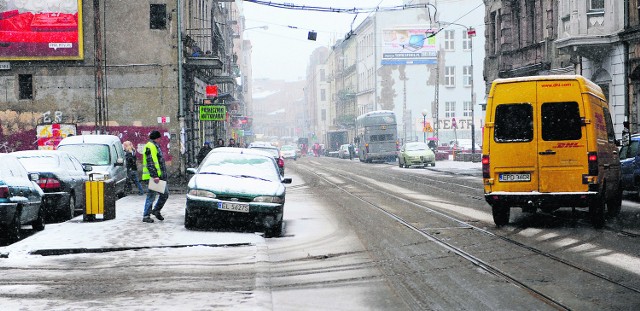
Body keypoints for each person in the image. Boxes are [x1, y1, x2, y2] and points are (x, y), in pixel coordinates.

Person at [141, 130, 169, 223]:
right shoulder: (151, 146)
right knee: (152, 196)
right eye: (159, 138)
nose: (160, 140)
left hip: (158, 176)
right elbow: (151, 162)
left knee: (164, 194)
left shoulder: (154, 146)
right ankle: (146, 215)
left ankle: (155, 210)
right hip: (154, 177)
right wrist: (155, 175)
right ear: (157, 138)